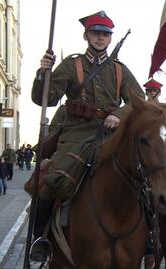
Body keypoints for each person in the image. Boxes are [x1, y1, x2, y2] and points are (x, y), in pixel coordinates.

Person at [29, 10, 144, 262]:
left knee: (143, 179)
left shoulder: (120, 70)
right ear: (86, 35)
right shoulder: (72, 65)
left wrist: (120, 115)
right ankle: (40, 237)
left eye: (105, 34)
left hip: (111, 135)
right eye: (96, 33)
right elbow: (44, 98)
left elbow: (138, 100)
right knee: (52, 179)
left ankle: (147, 238)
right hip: (77, 134)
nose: (101, 38)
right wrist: (43, 73)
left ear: (110, 39)